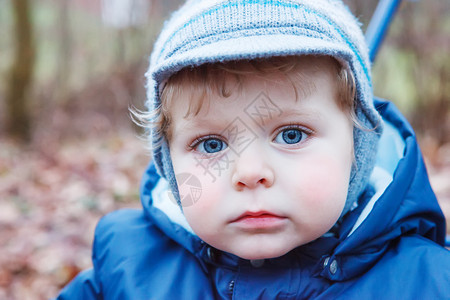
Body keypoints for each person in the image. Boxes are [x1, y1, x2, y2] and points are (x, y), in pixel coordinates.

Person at [57, 0, 450, 298]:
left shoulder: (426, 282)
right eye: (211, 144)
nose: (249, 172)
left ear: (357, 149)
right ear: (170, 166)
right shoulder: (127, 270)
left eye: (292, 135)